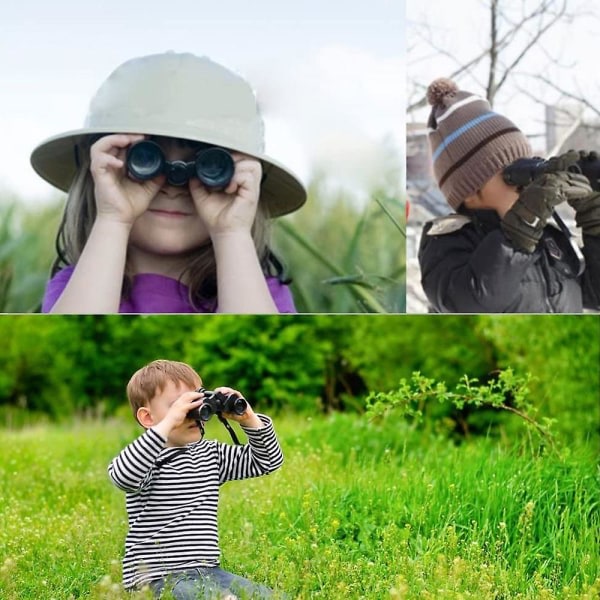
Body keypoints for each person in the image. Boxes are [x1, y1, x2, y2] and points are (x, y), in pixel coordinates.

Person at [31, 52, 306, 314]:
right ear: (99, 173)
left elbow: (255, 350)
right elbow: (79, 340)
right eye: (143, 161)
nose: (172, 187)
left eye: (208, 166)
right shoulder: (78, 285)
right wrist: (113, 218)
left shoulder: (262, 295)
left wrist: (231, 232)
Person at [418, 78, 600, 313]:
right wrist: (521, 227)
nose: (526, 182)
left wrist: (594, 218)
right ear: (471, 190)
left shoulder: (548, 238)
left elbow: (595, 295)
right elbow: (475, 302)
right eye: (509, 172)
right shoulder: (446, 242)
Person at [108, 359, 284, 599]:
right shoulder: (147, 458)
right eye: (178, 405)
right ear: (148, 418)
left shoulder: (210, 454)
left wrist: (249, 419)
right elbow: (123, 476)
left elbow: (267, 461)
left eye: (195, 400)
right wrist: (170, 421)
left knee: (270, 597)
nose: (191, 412)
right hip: (157, 578)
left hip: (210, 571)